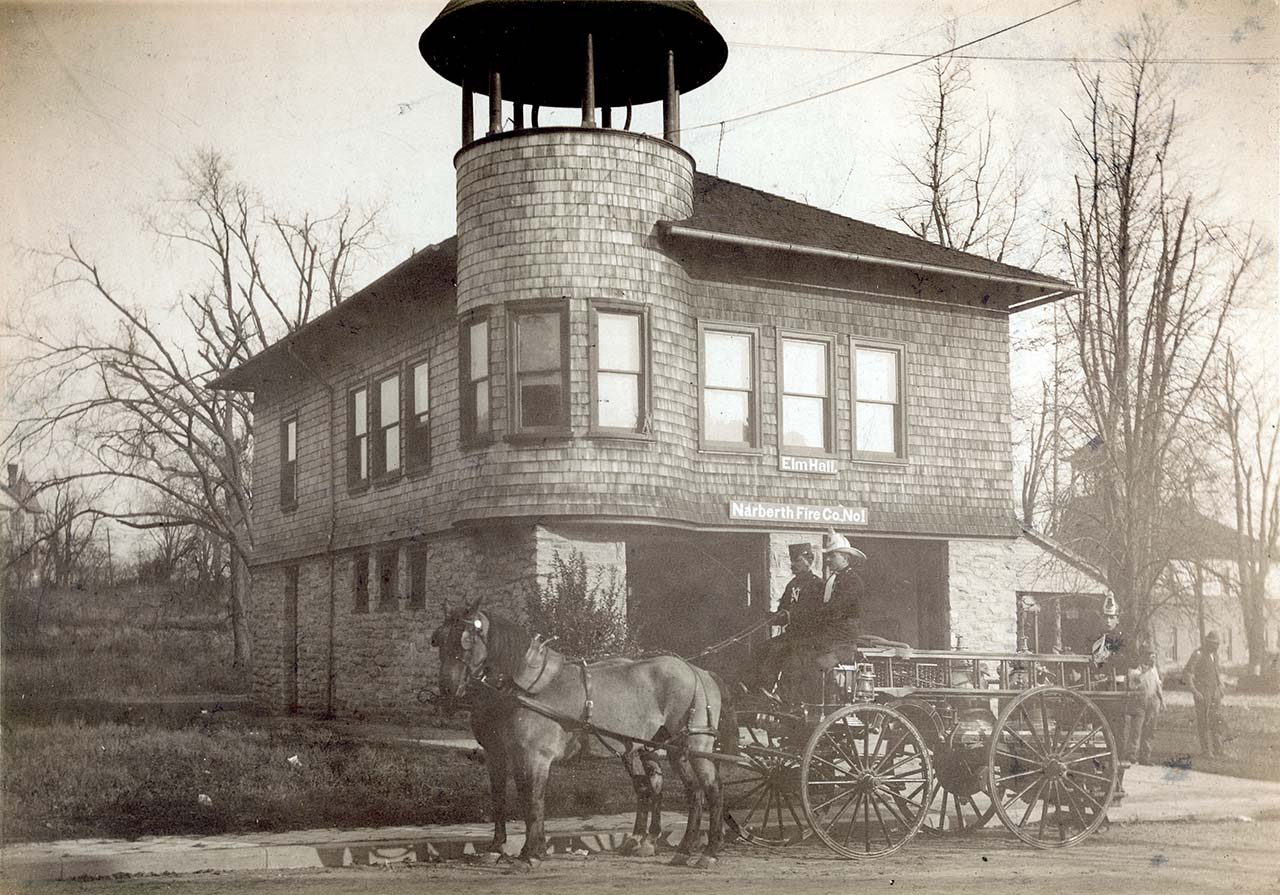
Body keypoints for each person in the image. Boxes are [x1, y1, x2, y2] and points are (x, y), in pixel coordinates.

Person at [748, 543, 825, 697]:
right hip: (792, 636)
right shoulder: (792, 585)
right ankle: (757, 688)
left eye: (796, 560)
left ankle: (773, 692)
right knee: (761, 648)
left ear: (808, 560)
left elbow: (817, 616)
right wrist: (771, 617)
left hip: (808, 638)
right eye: (792, 560)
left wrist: (790, 616)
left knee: (779, 651)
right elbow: (782, 612)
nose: (792, 564)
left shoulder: (818, 585)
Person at [1185, 631, 1226, 758]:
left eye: (1218, 644)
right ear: (1207, 642)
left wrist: (1220, 685)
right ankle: (1206, 750)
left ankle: (1218, 749)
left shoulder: (1215, 655)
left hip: (1214, 692)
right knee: (1204, 721)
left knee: (1216, 720)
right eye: (1214, 644)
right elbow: (1187, 673)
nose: (1216, 646)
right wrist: (1194, 691)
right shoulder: (1198, 654)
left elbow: (1216, 671)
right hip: (1203, 692)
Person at [1124, 648, 1165, 765]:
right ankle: (1132, 754)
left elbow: (1158, 685)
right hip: (1139, 703)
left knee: (1150, 730)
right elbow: (1135, 682)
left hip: (1152, 702)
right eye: (1150, 656)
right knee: (1136, 729)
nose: (1152, 659)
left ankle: (1145, 756)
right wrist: (1146, 671)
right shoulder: (1135, 669)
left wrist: (1162, 701)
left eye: (1154, 656)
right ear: (1143, 657)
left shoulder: (1154, 670)